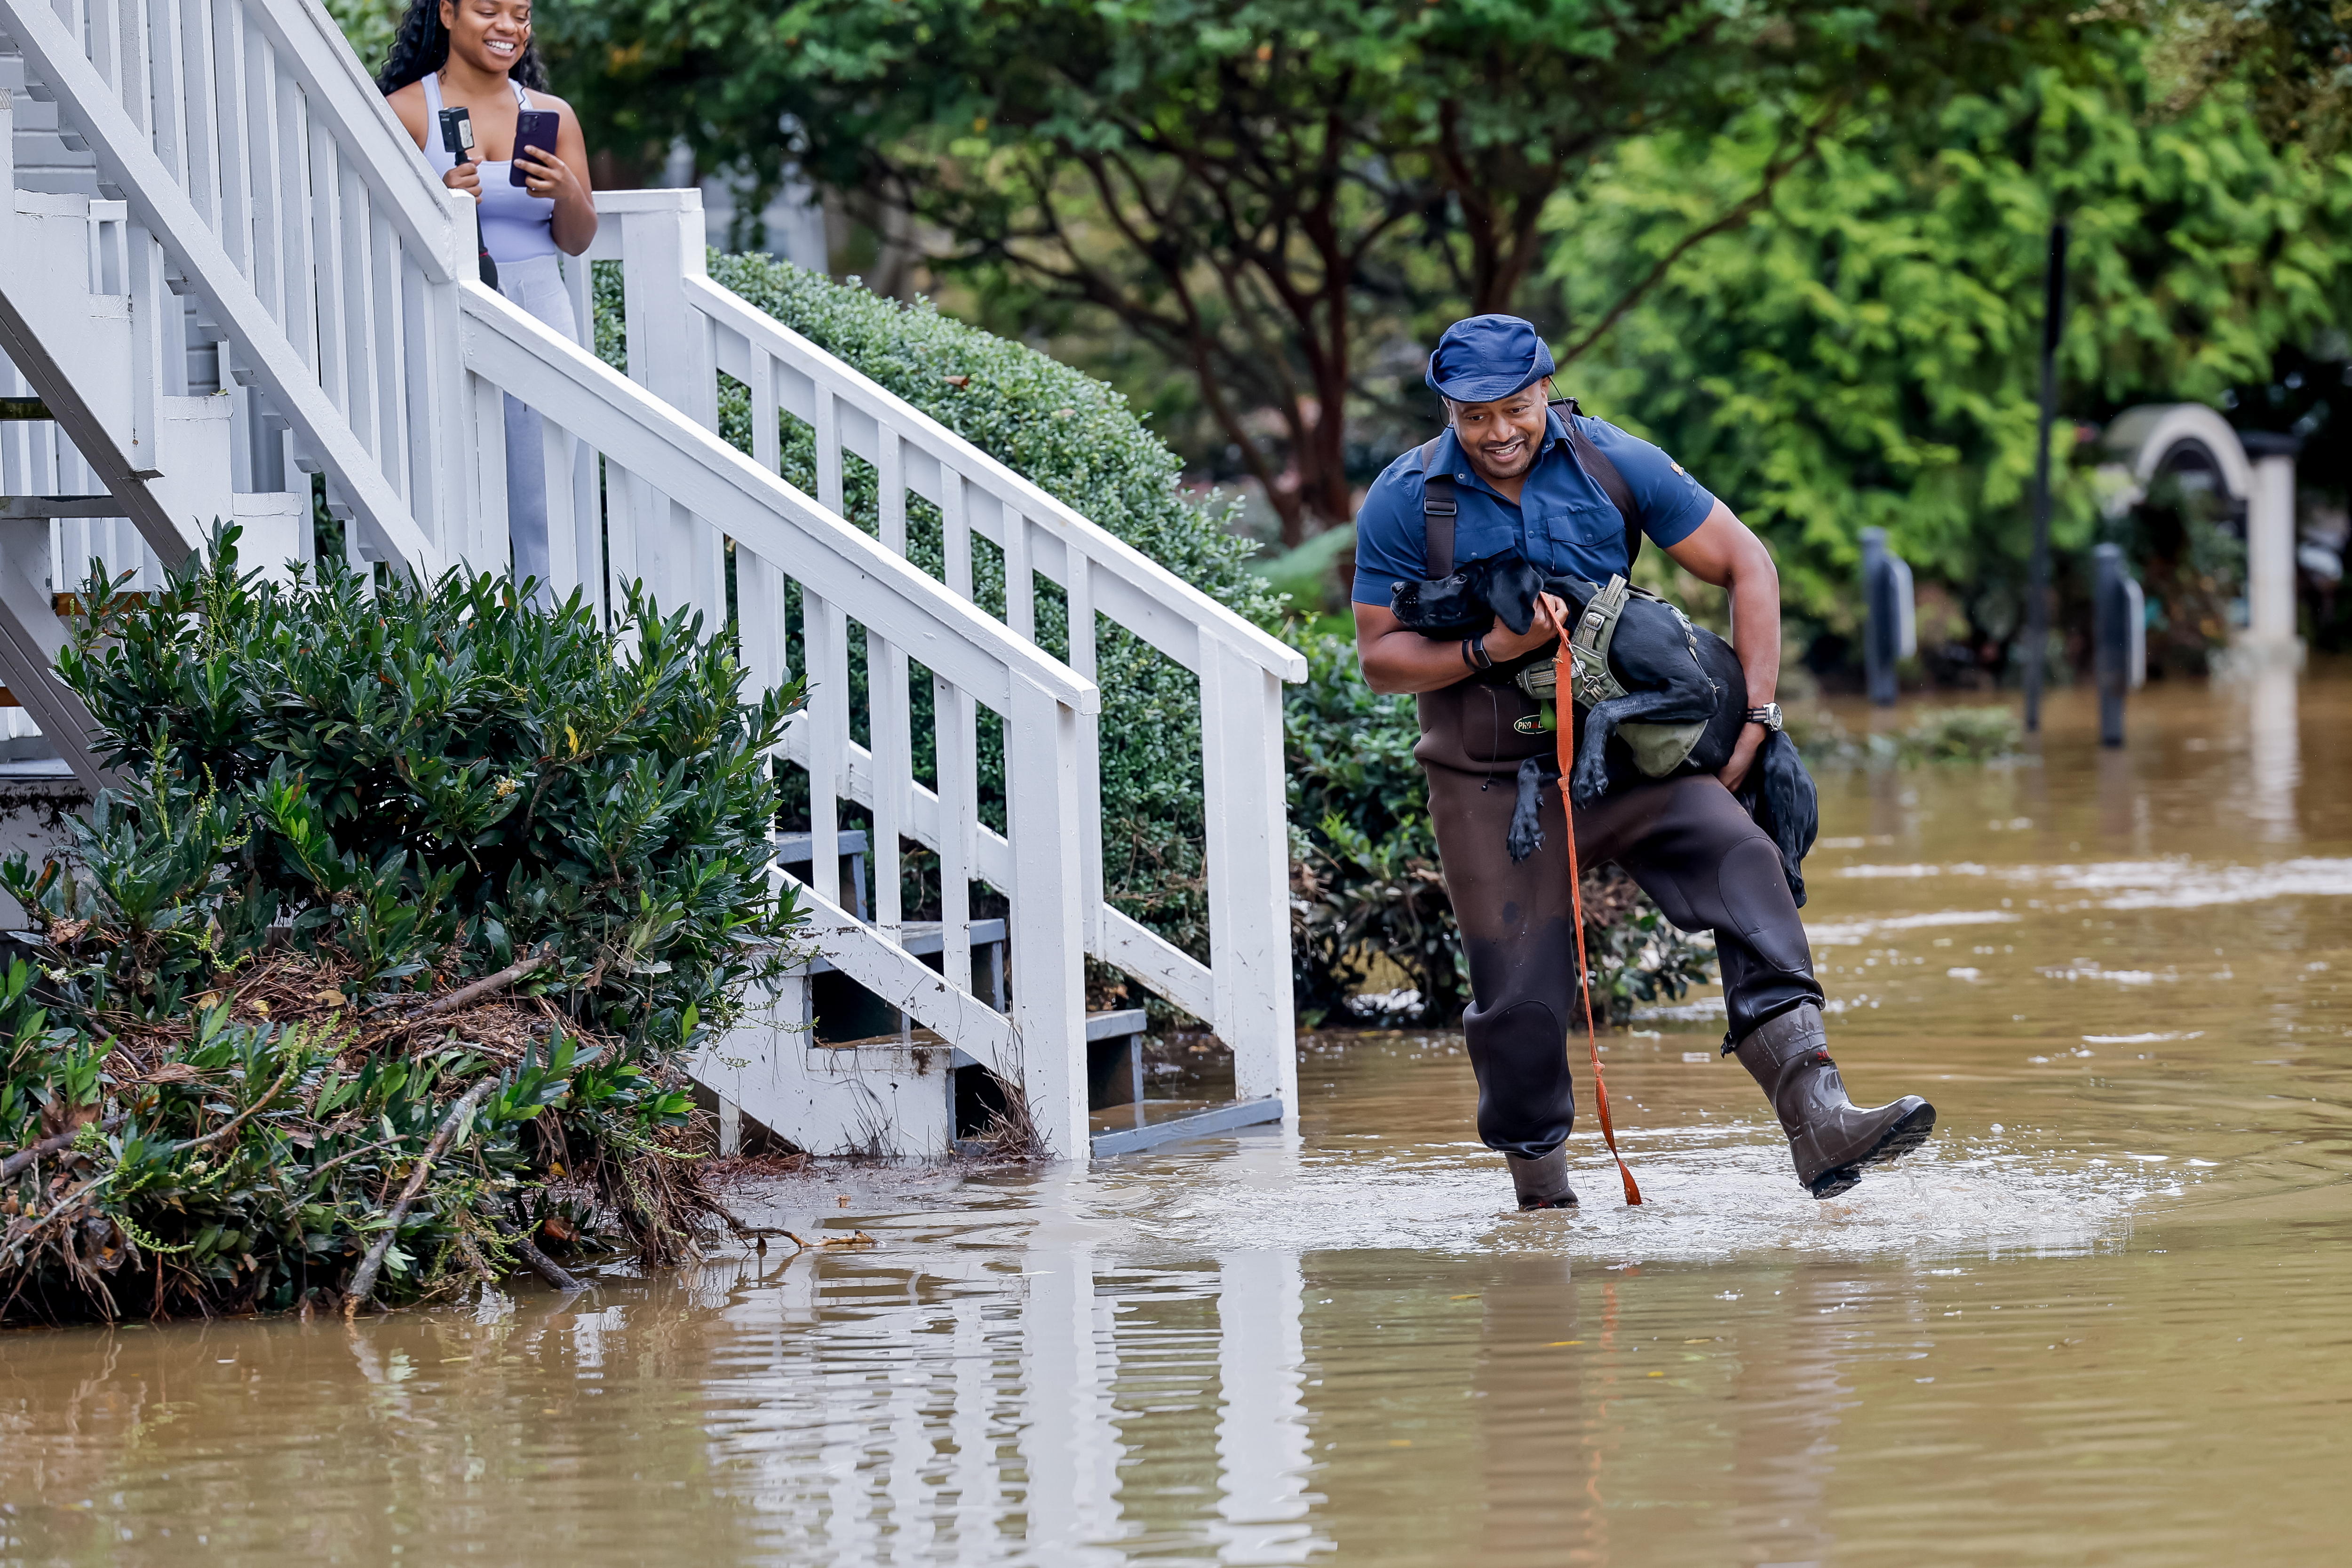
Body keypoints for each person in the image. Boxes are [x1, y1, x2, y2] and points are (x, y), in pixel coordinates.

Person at [1351, 315, 1935, 1208]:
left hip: (1628, 754)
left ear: (1546, 388)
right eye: (1475, 416)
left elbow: (1748, 564)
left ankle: (1820, 1118)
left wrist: (1761, 717)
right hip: (1488, 775)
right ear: (1447, 409)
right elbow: (1381, 657)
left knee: (1743, 857)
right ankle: (1542, 1205)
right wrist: (1489, 651)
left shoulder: (1615, 462)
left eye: (1516, 407)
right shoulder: (1403, 498)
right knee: (1520, 1000)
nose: (1499, 431)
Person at [381, 0, 598, 591]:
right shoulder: (407, 113)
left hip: (541, 310)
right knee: (453, 484)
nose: (510, 28)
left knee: (542, 493)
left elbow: (576, 240)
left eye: (522, 14)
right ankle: (454, 649)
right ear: (447, 13)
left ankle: (544, 646)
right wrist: (442, 201)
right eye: (488, 10)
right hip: (449, 314)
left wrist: (566, 190)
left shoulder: (553, 115)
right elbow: (381, 238)